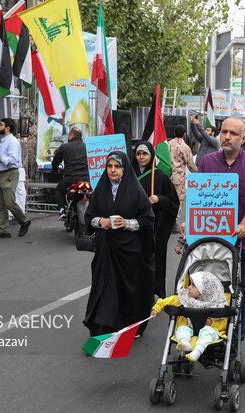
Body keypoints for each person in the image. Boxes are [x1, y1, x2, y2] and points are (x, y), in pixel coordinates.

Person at [180, 116, 245, 340]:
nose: (227, 137)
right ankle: (205, 335)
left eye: (233, 133)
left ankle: (236, 340)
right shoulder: (207, 162)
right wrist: (188, 222)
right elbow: (198, 198)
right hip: (210, 242)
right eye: (224, 132)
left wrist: (244, 225)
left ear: (244, 137)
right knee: (203, 288)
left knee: (243, 292)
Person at [84, 151, 155, 338]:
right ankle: (102, 325)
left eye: (117, 166)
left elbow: (147, 220)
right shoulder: (100, 189)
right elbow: (89, 218)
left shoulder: (135, 191)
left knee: (127, 288)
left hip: (129, 251)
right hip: (106, 249)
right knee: (103, 286)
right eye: (109, 166)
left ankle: (130, 325)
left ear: (124, 169)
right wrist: (101, 222)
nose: (113, 170)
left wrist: (127, 223)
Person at [132, 141, 179, 298]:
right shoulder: (128, 174)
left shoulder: (158, 176)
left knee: (154, 260)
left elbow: (173, 202)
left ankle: (154, 291)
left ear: (151, 155)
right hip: (134, 227)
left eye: (145, 153)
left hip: (155, 227)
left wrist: (159, 199)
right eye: (138, 154)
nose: (141, 157)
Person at [150, 271, 227, 362]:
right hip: (190, 329)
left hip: (209, 333)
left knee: (208, 332)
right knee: (181, 329)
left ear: (205, 291)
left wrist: (212, 322)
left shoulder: (217, 304)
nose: (189, 287)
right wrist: (157, 308)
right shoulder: (185, 298)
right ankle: (184, 342)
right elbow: (167, 301)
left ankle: (197, 352)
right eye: (190, 284)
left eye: (193, 286)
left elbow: (223, 323)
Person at [0, 118, 31, 238]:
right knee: (1, 204)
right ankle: (4, 230)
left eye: (1, 125)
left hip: (9, 174)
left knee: (9, 203)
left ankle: (24, 221)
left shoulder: (12, 141)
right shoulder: (4, 141)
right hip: (0, 174)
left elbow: (12, 160)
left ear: (7, 128)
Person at [51, 128, 89, 220]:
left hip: (70, 179)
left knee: (59, 190)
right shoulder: (88, 147)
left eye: (68, 135)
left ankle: (62, 210)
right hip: (86, 180)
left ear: (71, 136)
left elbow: (55, 162)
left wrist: (55, 170)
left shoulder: (64, 147)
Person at [168, 125, 197, 221]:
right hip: (179, 178)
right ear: (185, 134)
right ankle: (174, 221)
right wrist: (198, 173)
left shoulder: (167, 144)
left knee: (167, 198)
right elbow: (190, 165)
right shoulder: (185, 147)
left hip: (167, 176)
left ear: (174, 133)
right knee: (178, 200)